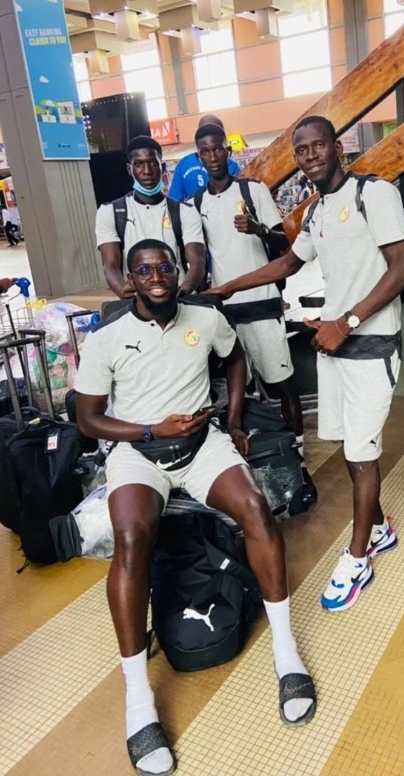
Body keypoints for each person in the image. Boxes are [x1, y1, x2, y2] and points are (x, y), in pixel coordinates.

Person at [75, 239, 316, 776]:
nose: (156, 276)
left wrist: (233, 419)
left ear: (178, 271)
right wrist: (148, 430)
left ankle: (285, 651)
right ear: (129, 280)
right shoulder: (106, 337)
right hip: (138, 452)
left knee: (255, 510)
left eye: (165, 267)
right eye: (144, 270)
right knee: (132, 540)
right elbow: (88, 420)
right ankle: (139, 700)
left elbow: (235, 358)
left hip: (201, 445)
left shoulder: (205, 318)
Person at [208, 115, 404, 612]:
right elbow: (288, 263)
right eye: (301, 150)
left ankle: (358, 557)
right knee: (348, 448)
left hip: (371, 348)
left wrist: (347, 320)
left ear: (336, 147)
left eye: (318, 145)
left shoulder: (374, 194)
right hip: (335, 349)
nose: (310, 156)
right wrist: (229, 287)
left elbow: (403, 268)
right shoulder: (318, 210)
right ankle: (380, 528)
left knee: (362, 456)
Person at [192, 123, 317, 502]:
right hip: (225, 313)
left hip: (262, 303)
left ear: (227, 151)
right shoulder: (195, 204)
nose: (213, 156)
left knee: (282, 383)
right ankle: (254, 458)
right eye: (205, 151)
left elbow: (284, 245)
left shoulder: (253, 190)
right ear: (199, 157)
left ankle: (297, 456)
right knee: (239, 392)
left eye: (218, 149)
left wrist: (259, 229)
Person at [95, 136, 205, 300]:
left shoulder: (184, 211)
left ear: (162, 166)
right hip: (136, 302)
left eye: (153, 163)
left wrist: (184, 290)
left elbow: (197, 259)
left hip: (178, 299)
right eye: (139, 164)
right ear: (129, 169)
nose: (147, 171)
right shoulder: (110, 212)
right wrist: (124, 292)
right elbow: (110, 264)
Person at [168, 114, 241, 202]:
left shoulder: (233, 166)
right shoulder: (183, 165)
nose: (213, 158)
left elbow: (239, 197)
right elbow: (174, 201)